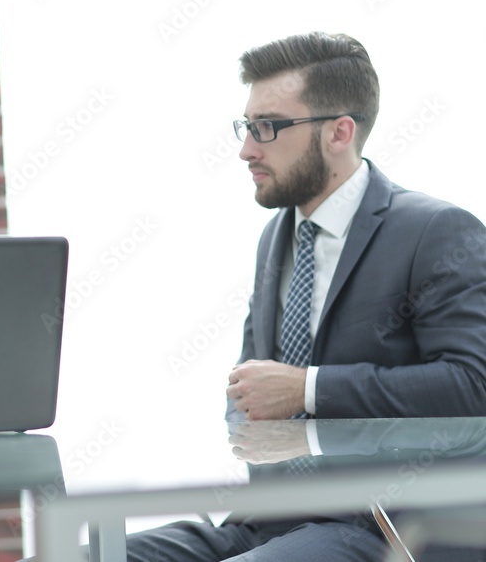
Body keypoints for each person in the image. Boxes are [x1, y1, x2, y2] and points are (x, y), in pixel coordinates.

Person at [124, 32, 486, 561]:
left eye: (267, 127)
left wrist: (307, 389)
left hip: (378, 529)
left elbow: (473, 386)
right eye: (246, 127)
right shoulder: (278, 236)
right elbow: (253, 386)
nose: (247, 148)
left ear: (340, 132)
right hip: (268, 519)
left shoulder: (436, 232)